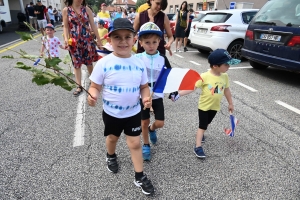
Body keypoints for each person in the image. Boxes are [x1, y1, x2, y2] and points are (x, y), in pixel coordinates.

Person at [87, 18, 155, 195]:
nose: (123, 41)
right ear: (109, 39)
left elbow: (144, 87)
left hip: (133, 112)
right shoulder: (104, 63)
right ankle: (110, 156)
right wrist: (93, 95)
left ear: (134, 39)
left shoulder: (139, 63)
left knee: (134, 143)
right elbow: (95, 86)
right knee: (112, 138)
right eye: (117, 37)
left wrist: (146, 98)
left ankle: (139, 176)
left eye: (127, 37)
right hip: (112, 113)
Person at [169, 49, 240, 158]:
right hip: (204, 106)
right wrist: (178, 94)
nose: (228, 66)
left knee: (207, 124)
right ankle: (198, 146)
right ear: (215, 66)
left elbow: (226, 90)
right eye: (226, 64)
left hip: (215, 107)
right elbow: (192, 87)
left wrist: (230, 103)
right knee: (202, 126)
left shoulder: (224, 76)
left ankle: (201, 135)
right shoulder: (204, 76)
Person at [135, 22, 172, 161]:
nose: (151, 45)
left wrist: (172, 91)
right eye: (147, 42)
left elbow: (169, 75)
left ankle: (152, 129)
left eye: (154, 42)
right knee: (143, 122)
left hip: (157, 94)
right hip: (142, 95)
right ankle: (145, 145)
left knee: (160, 122)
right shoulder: (137, 58)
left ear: (159, 42)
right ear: (141, 42)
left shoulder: (162, 59)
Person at [62, 0, 101, 96]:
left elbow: (93, 26)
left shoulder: (86, 9)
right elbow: (66, 26)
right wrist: (66, 38)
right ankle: (79, 86)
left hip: (86, 40)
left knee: (89, 62)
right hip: (74, 42)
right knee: (76, 64)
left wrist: (99, 40)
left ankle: (93, 83)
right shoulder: (66, 10)